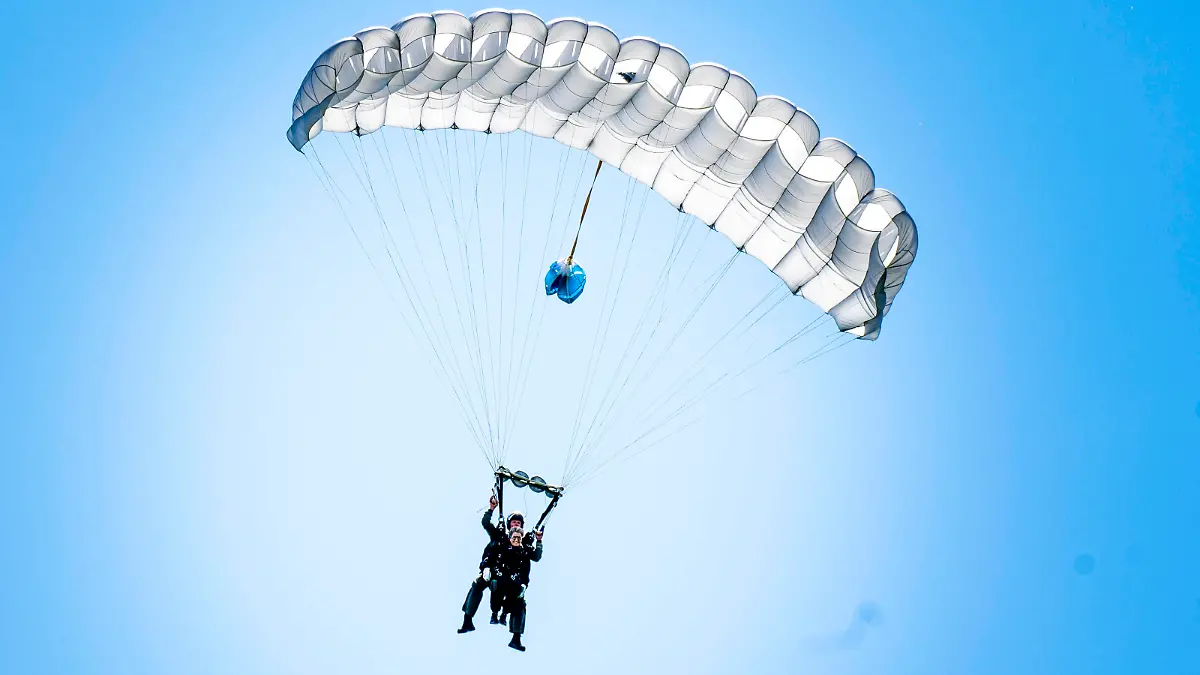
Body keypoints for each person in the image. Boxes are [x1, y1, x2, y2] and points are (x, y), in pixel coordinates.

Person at [457, 495, 526, 633]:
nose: (516, 525)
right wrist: (491, 509)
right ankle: (467, 620)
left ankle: (516, 636)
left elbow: (533, 557)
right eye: (513, 522)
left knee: (520, 600)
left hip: (510, 578)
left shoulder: (522, 543)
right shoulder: (499, 535)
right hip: (493, 572)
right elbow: (486, 523)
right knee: (477, 584)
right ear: (509, 524)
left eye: (518, 523)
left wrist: (538, 542)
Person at [494, 524, 543, 651]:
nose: (516, 540)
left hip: (518, 584)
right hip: (503, 582)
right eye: (514, 537)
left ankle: (516, 638)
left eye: (519, 538)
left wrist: (538, 541)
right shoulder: (504, 548)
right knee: (499, 592)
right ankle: (496, 614)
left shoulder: (525, 550)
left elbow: (536, 556)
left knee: (520, 605)